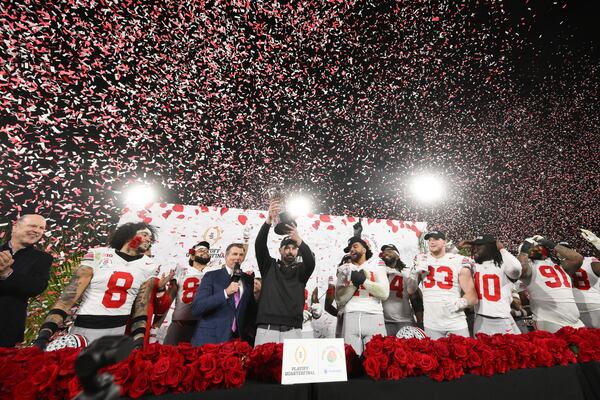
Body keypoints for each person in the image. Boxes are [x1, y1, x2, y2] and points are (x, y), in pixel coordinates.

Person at [33, 222, 159, 349]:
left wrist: (139, 341)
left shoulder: (149, 265)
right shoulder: (98, 254)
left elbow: (141, 307)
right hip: (84, 328)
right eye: (144, 234)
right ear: (128, 235)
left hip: (117, 331)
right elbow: (68, 298)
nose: (149, 239)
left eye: (150, 237)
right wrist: (44, 335)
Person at [253, 198, 316, 346]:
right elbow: (259, 245)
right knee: (262, 369)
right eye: (286, 247)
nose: (290, 251)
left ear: (297, 251)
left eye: (293, 248)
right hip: (267, 326)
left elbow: (311, 261)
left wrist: (299, 239)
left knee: (290, 369)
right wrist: (268, 221)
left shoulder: (302, 271)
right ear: (280, 250)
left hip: (293, 328)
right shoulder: (269, 266)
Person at [408, 231, 478, 339]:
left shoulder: (458, 260)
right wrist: (413, 275)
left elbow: (472, 295)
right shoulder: (421, 260)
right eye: (429, 239)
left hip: (456, 321)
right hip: (431, 323)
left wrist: (461, 303)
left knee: (463, 354)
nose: (432, 242)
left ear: (444, 242)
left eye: (436, 239)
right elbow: (411, 290)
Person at [0, 214, 53, 347]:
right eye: (32, 225)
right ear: (15, 227)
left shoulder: (43, 259)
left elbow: (35, 287)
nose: (37, 230)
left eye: (41, 228)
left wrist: (7, 273)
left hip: (6, 329)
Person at [190, 243, 255, 345]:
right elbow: (197, 307)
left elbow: (250, 309)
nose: (238, 257)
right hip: (211, 338)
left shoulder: (247, 279)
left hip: (238, 341)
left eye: (241, 255)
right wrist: (225, 293)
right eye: (234, 254)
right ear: (226, 256)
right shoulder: (211, 276)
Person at [517, 235, 584, 332]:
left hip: (575, 321)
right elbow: (520, 269)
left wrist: (549, 243)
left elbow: (578, 258)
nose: (536, 248)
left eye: (538, 246)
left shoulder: (559, 265)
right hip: (549, 321)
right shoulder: (529, 267)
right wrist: (525, 248)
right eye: (532, 247)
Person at [458, 235, 522, 335]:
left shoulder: (503, 264)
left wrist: (502, 249)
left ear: (490, 247)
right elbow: (452, 259)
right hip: (480, 317)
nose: (476, 249)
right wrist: (468, 245)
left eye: (480, 246)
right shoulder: (474, 265)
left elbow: (516, 269)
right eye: (475, 246)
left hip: (501, 318)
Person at [336, 236, 389, 355]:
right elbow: (339, 299)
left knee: (377, 361)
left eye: (355, 246)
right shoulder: (345, 269)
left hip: (374, 315)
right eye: (350, 248)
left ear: (364, 249)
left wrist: (364, 281)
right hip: (351, 316)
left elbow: (385, 293)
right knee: (351, 361)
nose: (352, 250)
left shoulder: (377, 265)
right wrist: (354, 284)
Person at [161, 241, 216, 344]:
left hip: (204, 325)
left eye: (207, 251)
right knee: (170, 356)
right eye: (201, 250)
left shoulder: (214, 273)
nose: (205, 252)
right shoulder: (182, 270)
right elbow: (168, 299)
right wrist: (157, 324)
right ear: (192, 256)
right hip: (180, 323)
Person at [379, 244, 423, 336]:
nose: (385, 253)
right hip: (381, 321)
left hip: (404, 321)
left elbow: (416, 299)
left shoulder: (407, 273)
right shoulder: (377, 271)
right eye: (383, 252)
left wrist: (420, 322)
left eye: (389, 251)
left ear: (397, 256)